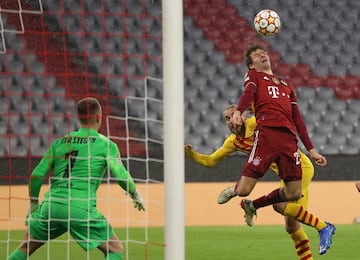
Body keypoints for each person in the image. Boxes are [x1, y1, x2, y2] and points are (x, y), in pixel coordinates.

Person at [185, 105, 334, 258]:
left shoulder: (257, 123)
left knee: (280, 205)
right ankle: (250, 203)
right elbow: (211, 161)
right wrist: (191, 154)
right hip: (286, 175)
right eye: (227, 118)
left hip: (300, 167)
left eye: (233, 116)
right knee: (292, 227)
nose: (231, 121)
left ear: (243, 116)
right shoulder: (233, 142)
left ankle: (324, 227)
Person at [8, 97, 145, 260]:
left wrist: (33, 203)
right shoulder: (106, 144)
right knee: (115, 248)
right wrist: (134, 192)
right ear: (99, 117)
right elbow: (119, 174)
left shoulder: (60, 143)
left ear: (78, 117)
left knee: (26, 245)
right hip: (79, 207)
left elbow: (37, 175)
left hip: (51, 206)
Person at [228, 44, 334, 253]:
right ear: (252, 64)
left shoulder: (286, 85)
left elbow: (298, 119)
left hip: (288, 140)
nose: (263, 55)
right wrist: (239, 111)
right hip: (267, 134)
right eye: (257, 55)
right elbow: (248, 93)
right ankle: (238, 195)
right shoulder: (253, 77)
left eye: (264, 53)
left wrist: (311, 150)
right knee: (243, 190)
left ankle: (254, 205)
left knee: (293, 194)